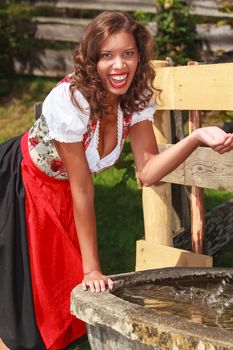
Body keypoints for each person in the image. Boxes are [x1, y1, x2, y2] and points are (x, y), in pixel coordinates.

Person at [1, 10, 233, 350]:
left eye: (128, 53)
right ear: (92, 60)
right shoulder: (72, 101)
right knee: (19, 310)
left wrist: (195, 137)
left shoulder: (135, 100)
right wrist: (92, 268)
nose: (119, 65)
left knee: (48, 310)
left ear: (139, 56)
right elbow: (83, 187)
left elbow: (148, 170)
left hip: (60, 193)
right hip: (21, 183)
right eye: (107, 56)